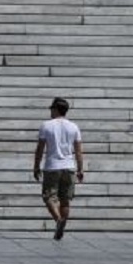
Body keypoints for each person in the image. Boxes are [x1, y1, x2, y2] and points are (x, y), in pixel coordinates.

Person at [33, 98, 84, 241]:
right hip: (69, 167)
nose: (50, 111)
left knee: (49, 197)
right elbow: (78, 151)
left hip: (52, 167)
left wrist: (36, 166)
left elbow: (40, 148)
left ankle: (58, 220)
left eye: (51, 109)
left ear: (56, 109)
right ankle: (61, 225)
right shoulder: (74, 127)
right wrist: (80, 169)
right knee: (65, 200)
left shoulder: (46, 126)